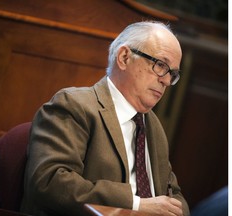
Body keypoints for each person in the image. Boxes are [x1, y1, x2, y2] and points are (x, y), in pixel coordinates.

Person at [21, 21, 190, 216]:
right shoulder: (75, 106)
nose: (166, 81)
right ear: (124, 57)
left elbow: (174, 195)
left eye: (173, 73)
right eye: (160, 65)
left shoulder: (153, 126)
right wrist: (136, 205)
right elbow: (49, 182)